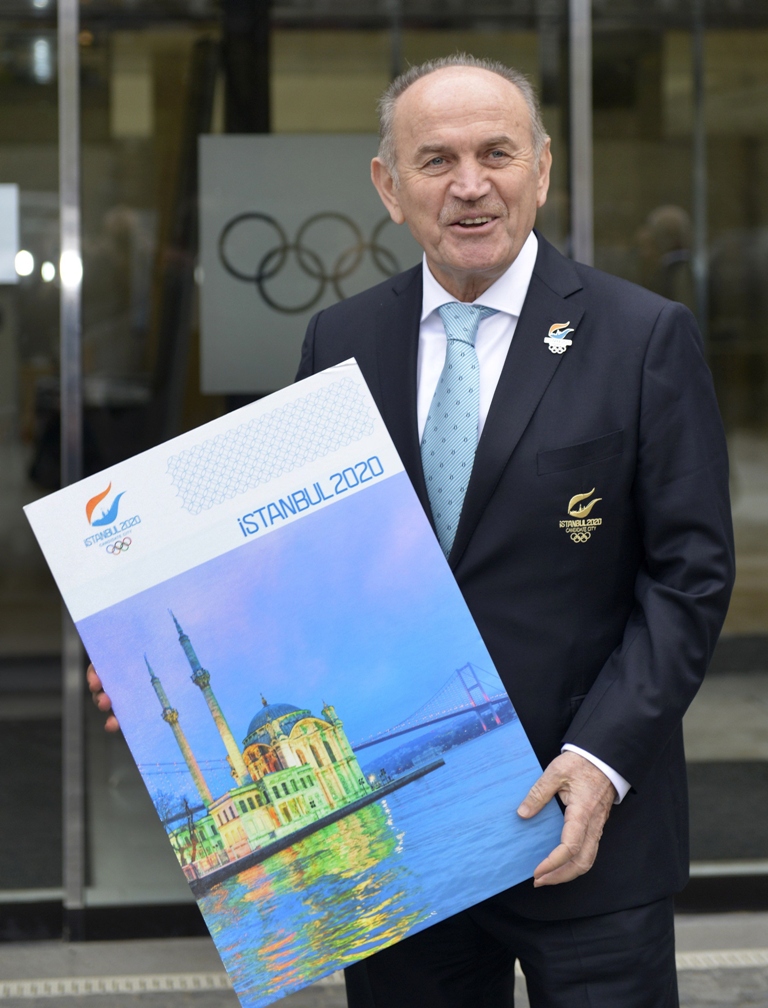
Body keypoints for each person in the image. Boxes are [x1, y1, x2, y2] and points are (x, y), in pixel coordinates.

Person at [90, 54, 734, 1008]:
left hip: (590, 830)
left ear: (543, 170)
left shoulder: (644, 337)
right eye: (435, 160)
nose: (470, 185)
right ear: (390, 187)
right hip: (412, 865)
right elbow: (297, 563)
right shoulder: (339, 339)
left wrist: (601, 760)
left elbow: (688, 579)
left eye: (496, 153)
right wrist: (143, 656)